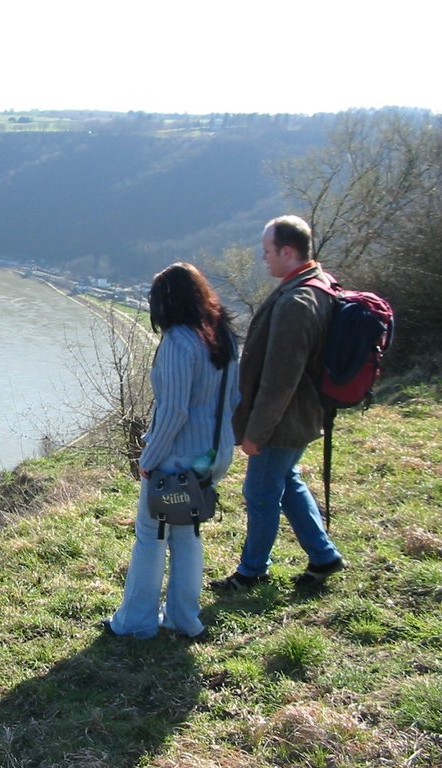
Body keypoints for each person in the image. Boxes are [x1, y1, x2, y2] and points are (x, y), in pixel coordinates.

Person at [105, 263, 239, 639]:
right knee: (188, 533)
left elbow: (173, 411)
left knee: (150, 536)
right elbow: (235, 398)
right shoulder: (222, 337)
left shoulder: (180, 342)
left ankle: (135, 623)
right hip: (213, 455)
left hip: (176, 459)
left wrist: (148, 460)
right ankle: (183, 618)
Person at [211, 215, 345, 592]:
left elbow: (280, 378)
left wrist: (256, 432)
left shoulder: (297, 301)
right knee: (287, 481)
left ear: (288, 251)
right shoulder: (318, 285)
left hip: (283, 421)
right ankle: (323, 555)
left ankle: (251, 571)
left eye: (267, 251)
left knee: (260, 492)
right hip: (300, 414)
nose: (263, 258)